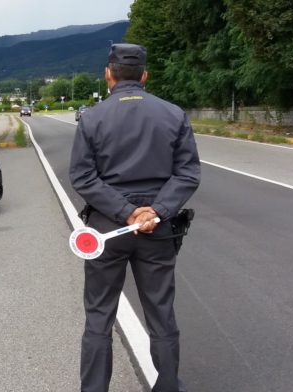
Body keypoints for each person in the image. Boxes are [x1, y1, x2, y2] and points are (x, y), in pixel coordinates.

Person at [69, 44, 201, 392]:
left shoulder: (93, 117)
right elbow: (187, 174)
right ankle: (168, 386)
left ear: (108, 75)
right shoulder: (173, 114)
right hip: (156, 229)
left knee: (99, 315)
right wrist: (154, 211)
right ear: (144, 76)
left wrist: (125, 212)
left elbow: (83, 177)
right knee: (161, 313)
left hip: (107, 230)